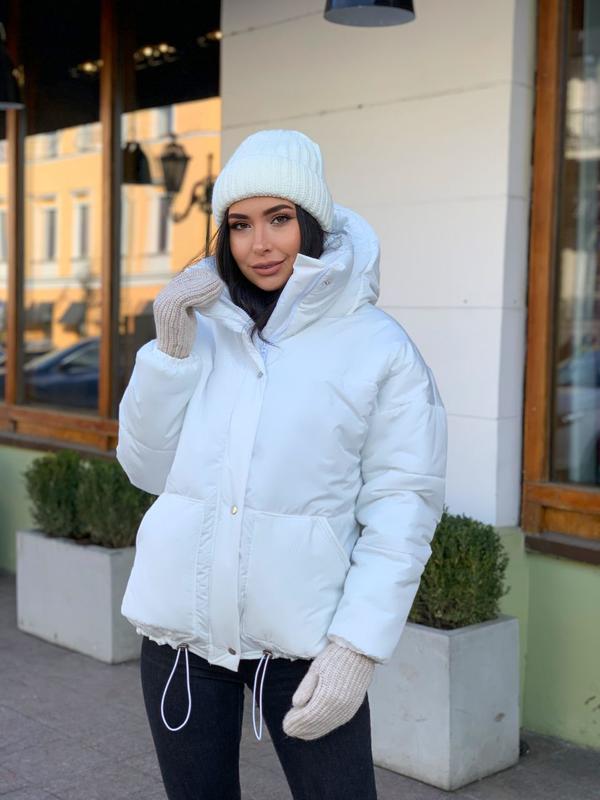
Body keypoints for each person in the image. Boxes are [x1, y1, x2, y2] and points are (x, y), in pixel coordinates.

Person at [116, 129, 448, 800]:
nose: (259, 244)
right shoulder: (199, 329)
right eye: (240, 225)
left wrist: (357, 646)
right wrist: (169, 353)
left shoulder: (378, 348)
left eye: (279, 219)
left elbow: (403, 507)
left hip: (307, 647)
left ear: (313, 224)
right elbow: (144, 470)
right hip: (183, 639)